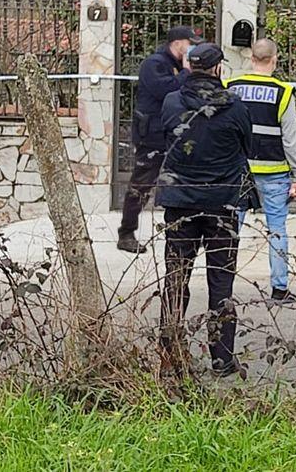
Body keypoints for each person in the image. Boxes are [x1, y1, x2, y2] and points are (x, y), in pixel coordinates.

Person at [156, 42, 252, 377]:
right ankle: (222, 359)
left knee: (175, 278)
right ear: (218, 69)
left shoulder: (171, 102)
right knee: (221, 284)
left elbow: (162, 139)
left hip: (179, 201)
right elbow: (246, 146)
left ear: (189, 68)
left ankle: (170, 356)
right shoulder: (237, 106)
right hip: (222, 204)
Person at [227, 39, 296, 305]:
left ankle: (223, 286)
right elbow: (290, 139)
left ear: (251, 58)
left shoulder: (231, 88)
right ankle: (279, 288)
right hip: (274, 172)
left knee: (230, 229)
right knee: (277, 229)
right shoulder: (283, 92)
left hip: (239, 172)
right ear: (274, 59)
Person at [118, 25, 203, 254]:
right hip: (152, 137)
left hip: (170, 134)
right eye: (189, 42)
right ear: (177, 43)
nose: (192, 47)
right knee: (142, 184)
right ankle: (126, 233)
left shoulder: (174, 65)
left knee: (179, 182)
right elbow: (166, 91)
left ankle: (184, 231)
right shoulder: (154, 64)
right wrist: (186, 72)